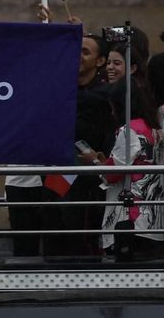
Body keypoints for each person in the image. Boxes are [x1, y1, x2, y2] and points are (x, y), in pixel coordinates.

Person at [43, 31, 117, 259]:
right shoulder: (61, 89)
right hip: (62, 169)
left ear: (100, 61)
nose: (79, 56)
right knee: (55, 220)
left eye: (85, 52)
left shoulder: (105, 95)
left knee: (83, 232)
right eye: (76, 50)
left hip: (92, 179)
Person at [99, 70, 164, 259]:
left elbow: (113, 173)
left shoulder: (128, 130)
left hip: (130, 219)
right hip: (154, 219)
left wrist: (96, 164)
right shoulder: (155, 129)